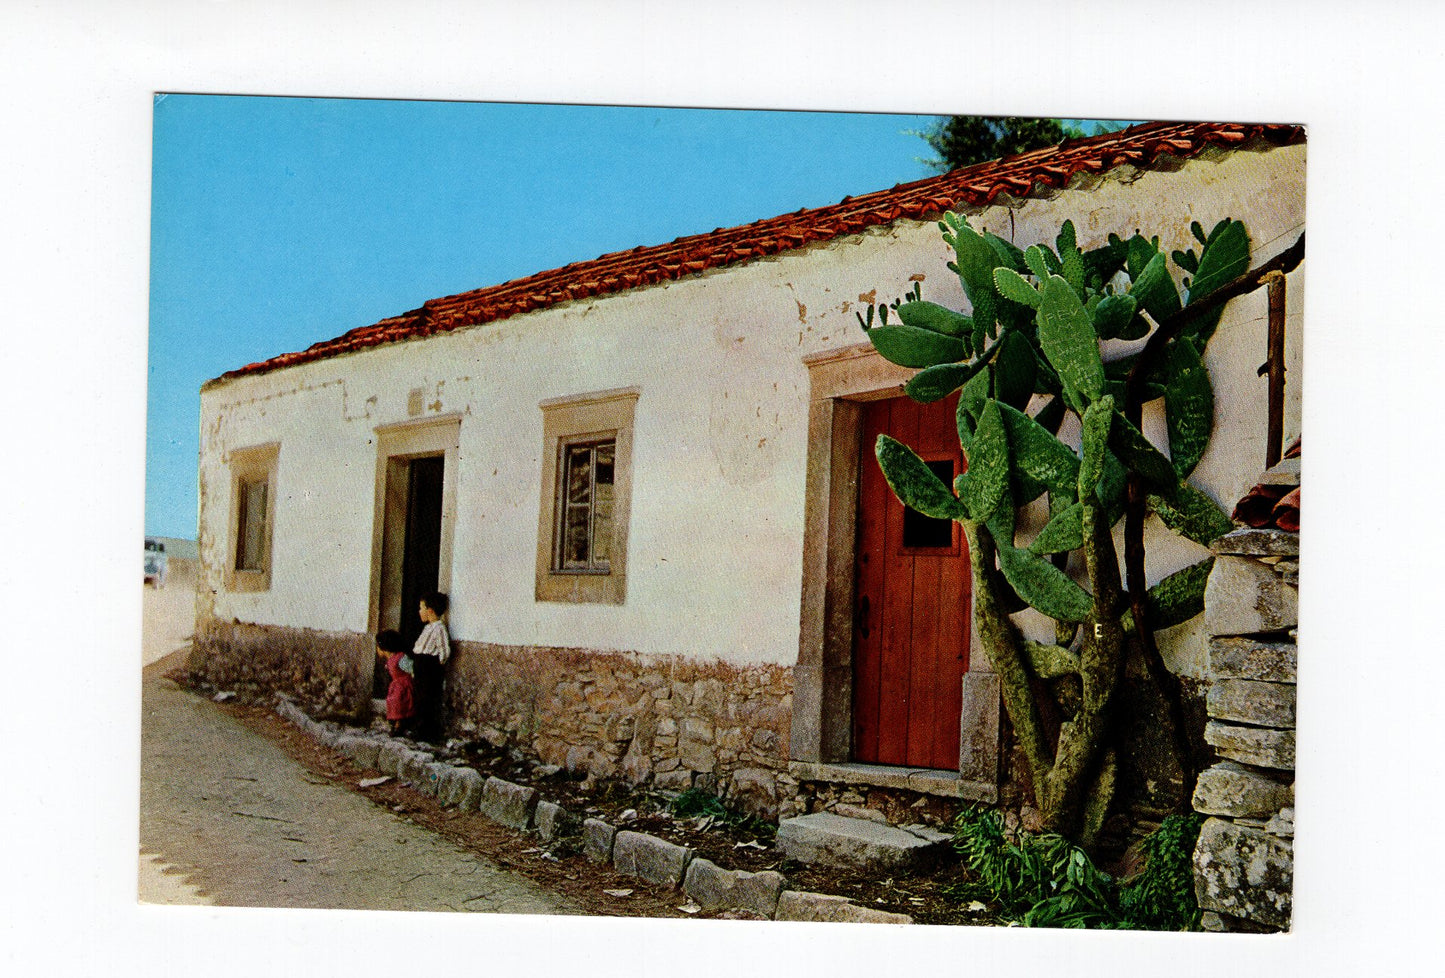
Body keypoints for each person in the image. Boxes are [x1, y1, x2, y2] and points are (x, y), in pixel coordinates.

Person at [410, 591, 451, 742]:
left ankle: (428, 732)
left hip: (429, 667)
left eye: (421, 608)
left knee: (428, 700)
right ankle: (419, 729)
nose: (419, 611)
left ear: (430, 611)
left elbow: (444, 650)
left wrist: (435, 666)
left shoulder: (439, 628)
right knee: (420, 698)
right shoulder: (428, 628)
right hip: (421, 665)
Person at [375, 629, 415, 736]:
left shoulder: (400, 658)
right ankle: (395, 723)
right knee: (393, 702)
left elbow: (412, 669)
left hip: (403, 686)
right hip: (396, 685)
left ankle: (399, 725)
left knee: (399, 703)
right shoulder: (391, 659)